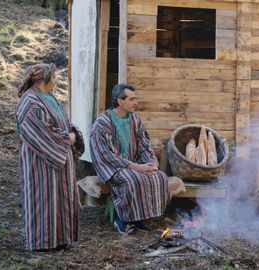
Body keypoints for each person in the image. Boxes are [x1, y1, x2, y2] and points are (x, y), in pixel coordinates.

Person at [16, 63, 84, 251]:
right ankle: (43, 243)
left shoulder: (49, 97)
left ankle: (61, 239)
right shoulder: (30, 102)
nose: (56, 79)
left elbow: (64, 122)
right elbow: (39, 133)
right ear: (40, 80)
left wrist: (72, 134)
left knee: (62, 200)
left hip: (61, 160)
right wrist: (67, 139)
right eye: (53, 76)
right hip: (41, 163)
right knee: (43, 200)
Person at [90, 83, 169, 234]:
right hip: (110, 166)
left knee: (159, 177)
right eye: (132, 99)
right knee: (132, 179)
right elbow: (107, 155)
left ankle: (140, 217)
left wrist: (152, 163)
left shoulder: (135, 120)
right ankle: (122, 219)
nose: (136, 102)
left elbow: (144, 145)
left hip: (134, 163)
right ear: (120, 101)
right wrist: (136, 167)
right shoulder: (103, 123)